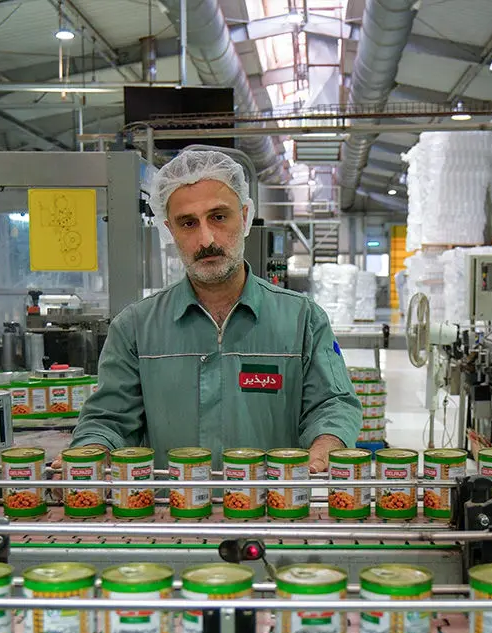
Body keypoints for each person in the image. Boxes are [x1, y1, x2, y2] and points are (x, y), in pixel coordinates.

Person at [69, 149, 362, 472]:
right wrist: (91, 451)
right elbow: (108, 419)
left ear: (245, 216)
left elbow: (333, 405)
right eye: (188, 223)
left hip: (274, 501)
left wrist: (326, 444)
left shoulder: (302, 320)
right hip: (173, 503)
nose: (206, 239)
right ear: (170, 231)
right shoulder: (135, 327)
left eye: (219, 217)